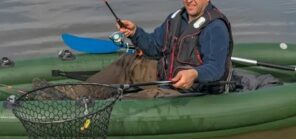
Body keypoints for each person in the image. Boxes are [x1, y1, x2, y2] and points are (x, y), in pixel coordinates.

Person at [87, 0, 234, 97]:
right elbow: (155, 47)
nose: (189, 0)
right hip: (164, 76)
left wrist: (194, 74)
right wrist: (135, 33)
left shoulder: (215, 27)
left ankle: (105, 109)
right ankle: (75, 94)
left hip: (189, 91)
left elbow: (216, 68)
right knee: (127, 62)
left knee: (143, 97)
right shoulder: (175, 18)